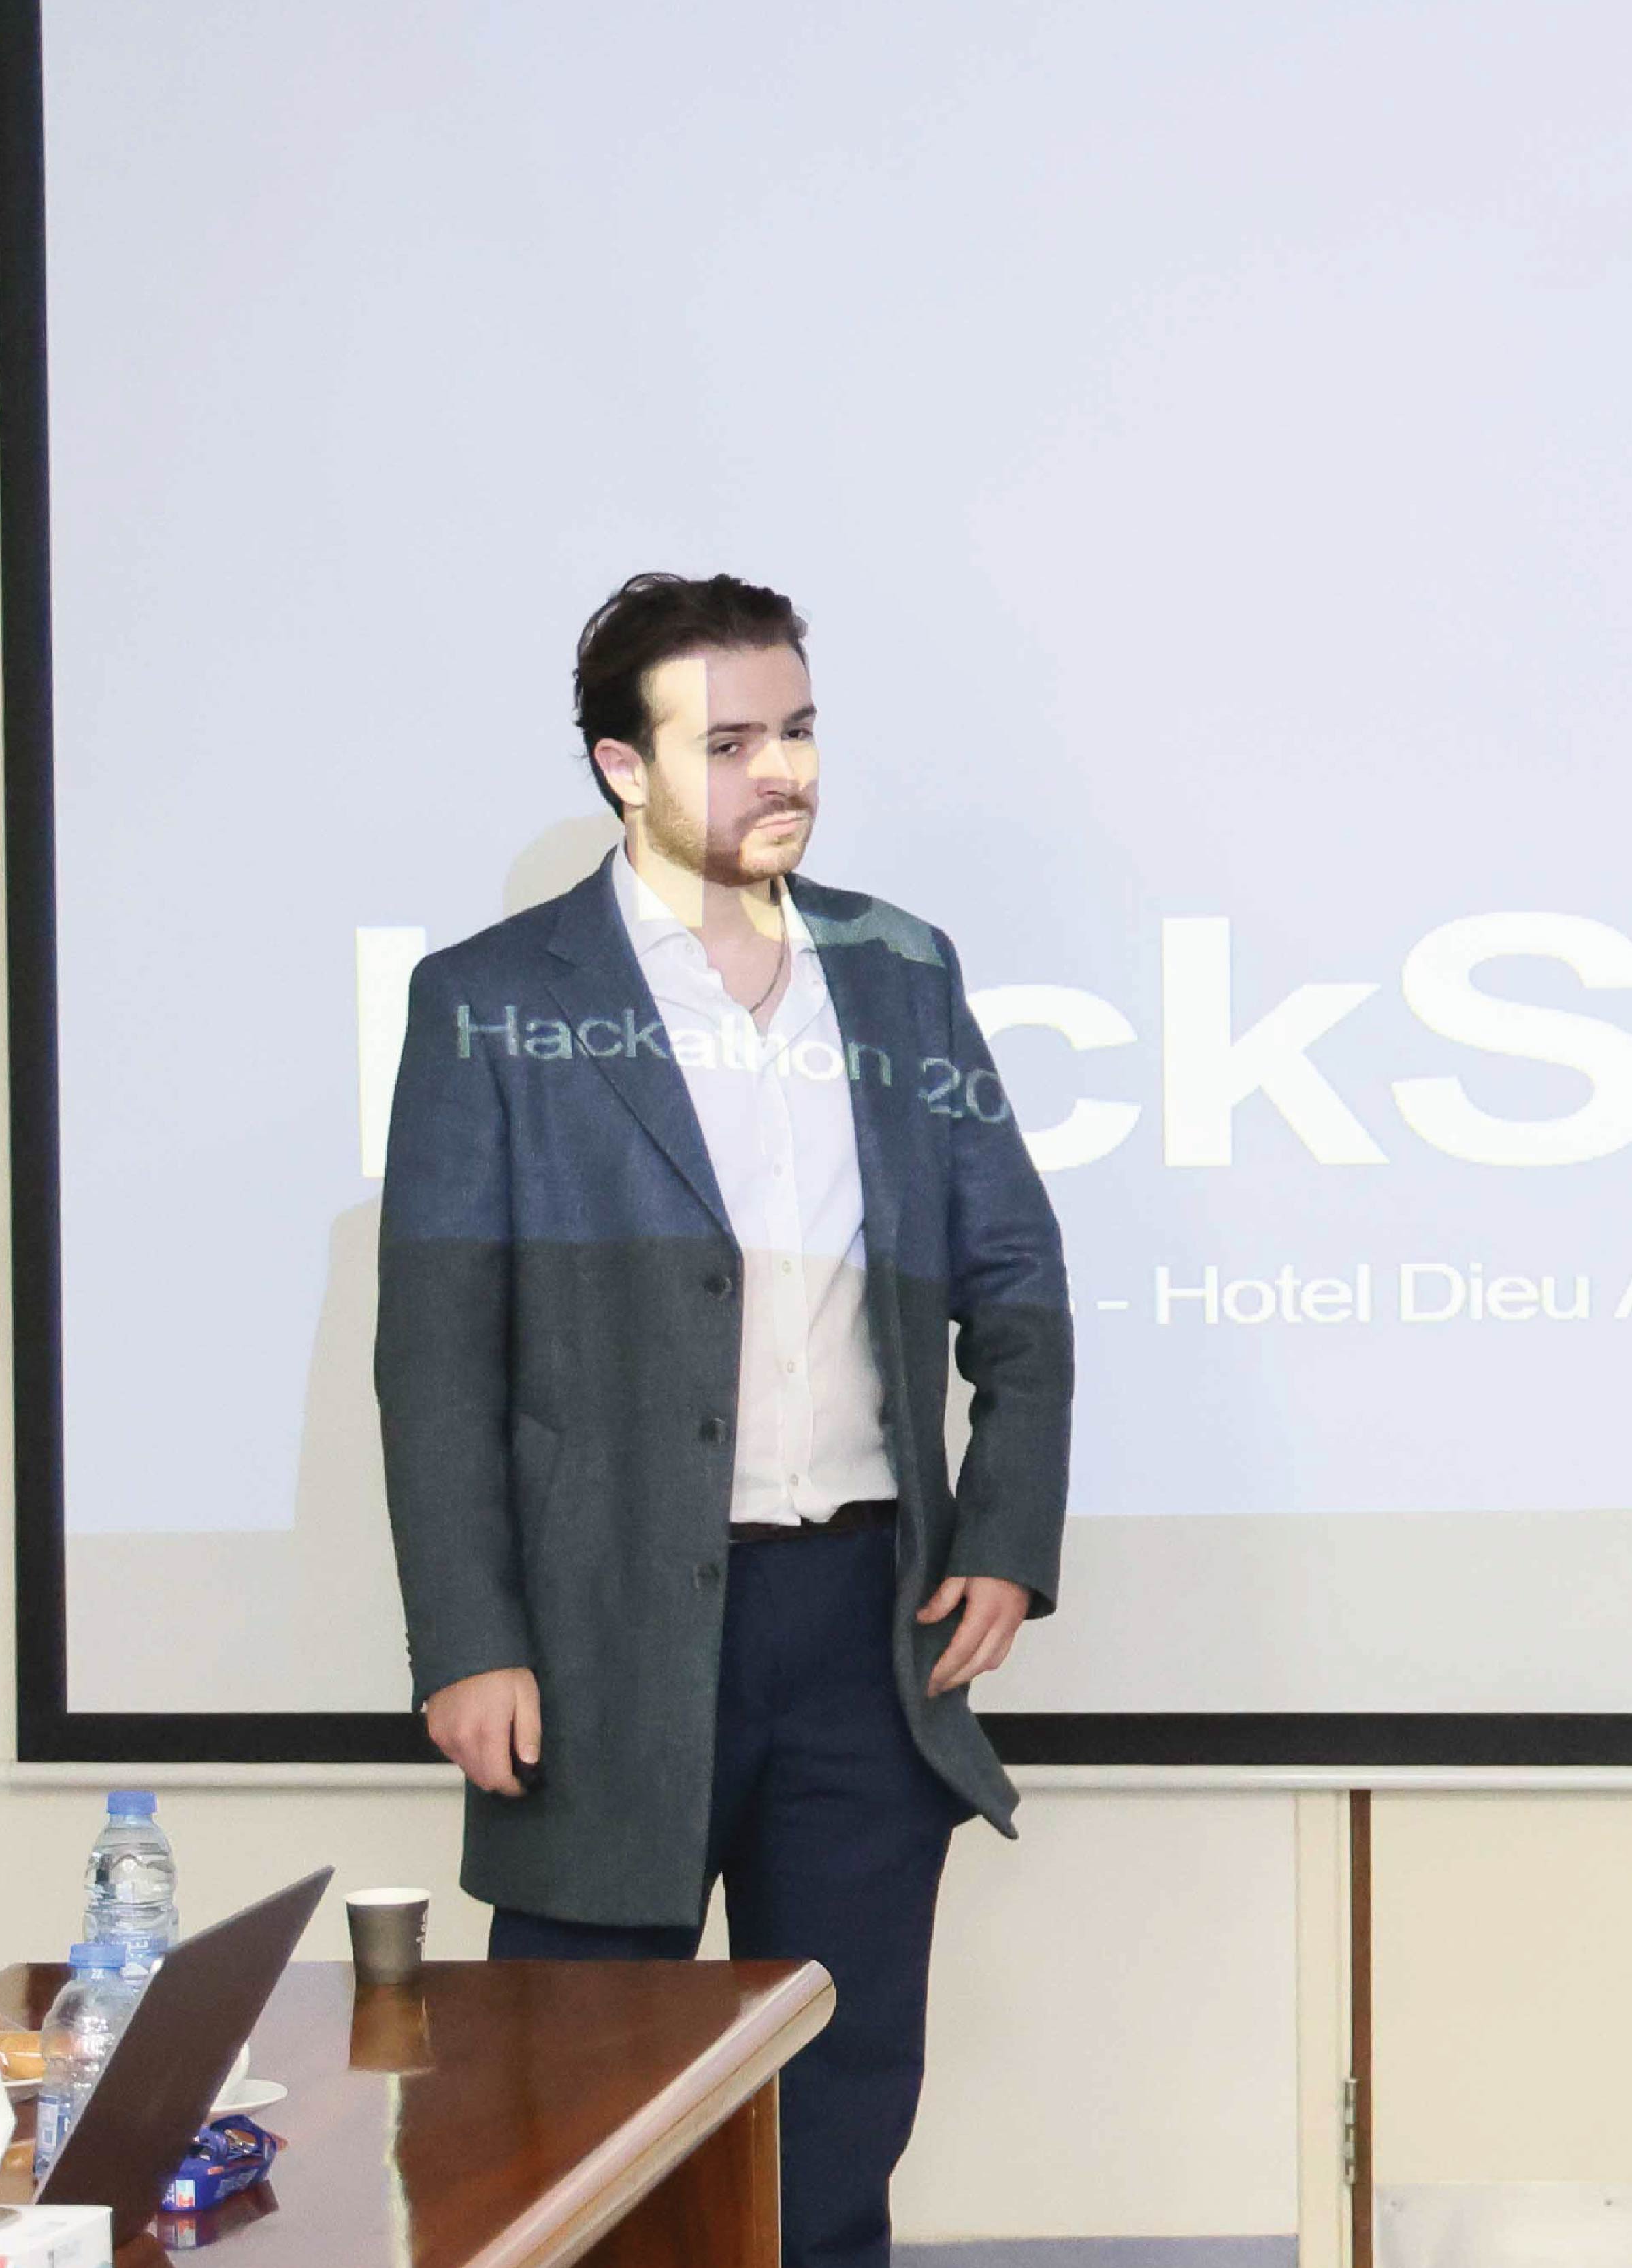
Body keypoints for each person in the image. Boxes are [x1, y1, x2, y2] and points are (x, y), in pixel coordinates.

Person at [377, 572, 1073, 2268]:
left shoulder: (899, 972)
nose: (784, 770)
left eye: (800, 729)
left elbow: (1015, 1272)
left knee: (838, 2107)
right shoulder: (491, 998)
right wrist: (469, 1638)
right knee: (570, 2112)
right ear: (622, 766)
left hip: (860, 1623)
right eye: (733, 739)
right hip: (595, 1630)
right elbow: (438, 1355)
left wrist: (1003, 1533)